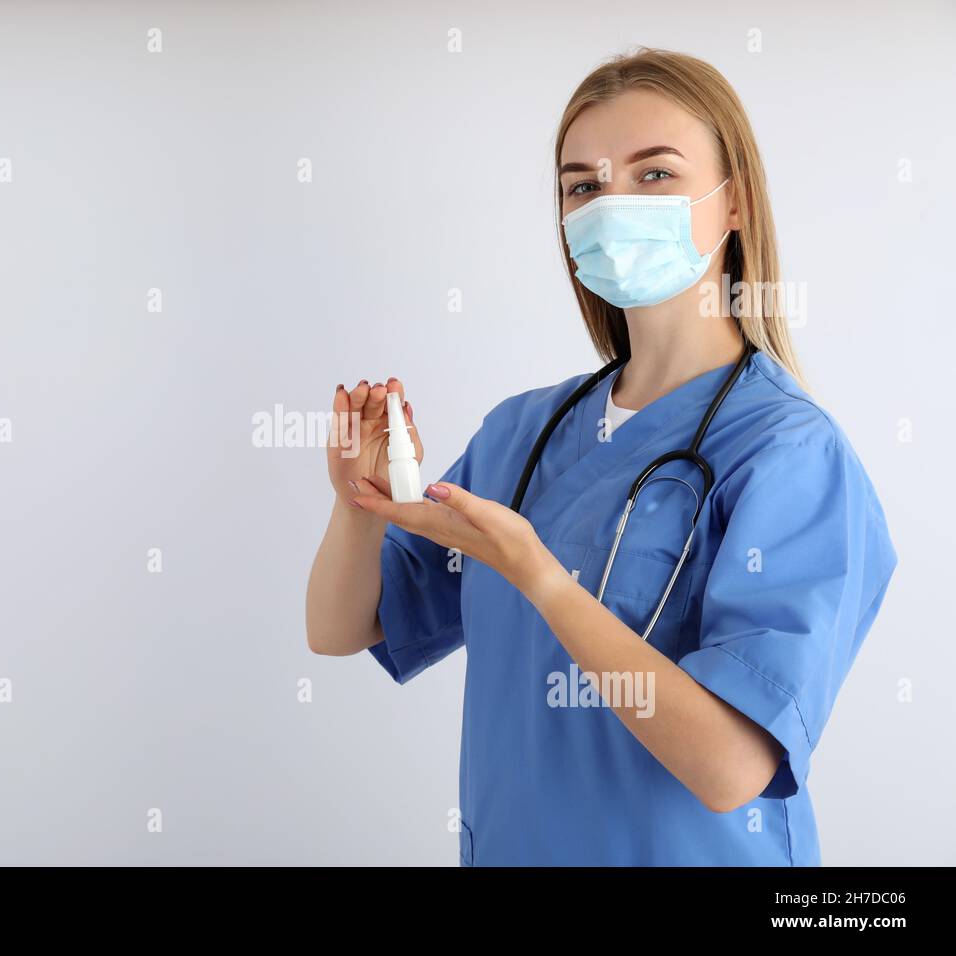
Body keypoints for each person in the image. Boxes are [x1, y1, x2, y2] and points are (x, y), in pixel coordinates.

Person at [305, 48, 897, 866]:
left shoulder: (788, 452)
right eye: (583, 185)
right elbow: (343, 628)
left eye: (654, 175)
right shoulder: (523, 432)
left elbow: (733, 767)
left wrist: (542, 578)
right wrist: (357, 506)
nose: (612, 204)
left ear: (736, 205)